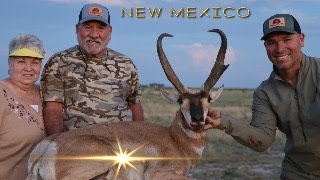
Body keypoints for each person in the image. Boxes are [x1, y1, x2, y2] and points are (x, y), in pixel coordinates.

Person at [205, 14, 320, 179]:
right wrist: (223, 122)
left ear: (301, 39)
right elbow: (262, 141)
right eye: (271, 42)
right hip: (297, 173)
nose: (280, 49)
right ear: (265, 46)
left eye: (287, 39)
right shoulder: (264, 92)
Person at [41, 3, 144, 136]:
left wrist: (140, 140)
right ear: (77, 29)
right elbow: (53, 108)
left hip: (120, 148)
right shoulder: (58, 62)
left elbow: (135, 105)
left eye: (101, 28)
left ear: (110, 31)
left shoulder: (126, 63)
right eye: (88, 27)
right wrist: (58, 145)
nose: (94, 34)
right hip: (76, 147)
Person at [0, 34, 46, 179]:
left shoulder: (46, 95)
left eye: (35, 62)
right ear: (10, 63)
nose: (28, 68)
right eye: (21, 61)